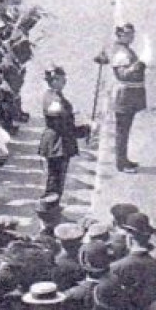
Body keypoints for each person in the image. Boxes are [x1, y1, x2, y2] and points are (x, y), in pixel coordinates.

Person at [96, 23, 146, 173]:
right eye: (128, 34)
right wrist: (139, 66)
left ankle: (124, 159)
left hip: (130, 94)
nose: (132, 37)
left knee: (125, 129)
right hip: (125, 95)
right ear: (120, 35)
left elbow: (102, 58)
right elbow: (122, 74)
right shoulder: (121, 53)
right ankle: (121, 163)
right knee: (122, 130)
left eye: (132, 33)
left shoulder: (120, 49)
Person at [37, 66, 86, 202]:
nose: (65, 81)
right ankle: (50, 214)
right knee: (55, 182)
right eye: (62, 78)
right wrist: (82, 129)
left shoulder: (54, 95)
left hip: (59, 141)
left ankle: (52, 211)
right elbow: (60, 123)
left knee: (57, 180)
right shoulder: (54, 99)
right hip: (57, 142)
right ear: (54, 80)